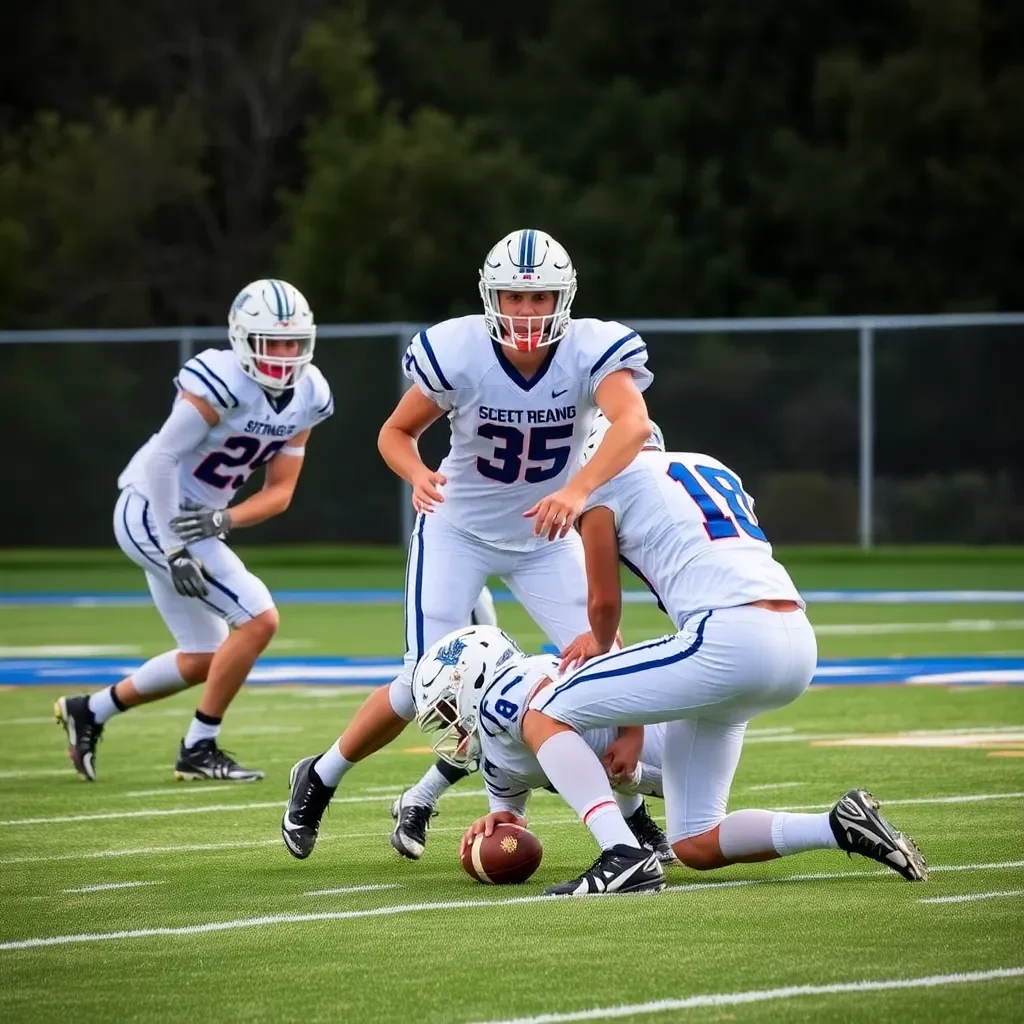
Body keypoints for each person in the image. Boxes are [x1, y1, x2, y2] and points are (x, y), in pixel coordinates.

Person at [282, 228, 654, 860]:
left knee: (608, 672)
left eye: (540, 299)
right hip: (458, 531)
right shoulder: (460, 350)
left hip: (547, 536)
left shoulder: (591, 349)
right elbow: (395, 432)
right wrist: (418, 473)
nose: (527, 312)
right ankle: (321, 775)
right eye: (514, 297)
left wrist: (578, 490)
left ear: (563, 300)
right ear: (492, 297)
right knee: (431, 686)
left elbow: (634, 423)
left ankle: (630, 816)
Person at [518, 415, 928, 895]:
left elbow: (605, 604)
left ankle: (621, 855)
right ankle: (835, 826)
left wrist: (597, 639)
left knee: (544, 712)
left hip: (729, 636)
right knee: (692, 840)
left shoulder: (604, 484)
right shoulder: (710, 467)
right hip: (794, 638)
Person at [56, 279, 333, 782]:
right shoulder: (221, 380)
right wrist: (176, 546)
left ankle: (90, 710)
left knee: (207, 655)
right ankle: (198, 748)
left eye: (292, 343)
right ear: (243, 338)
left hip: (197, 521)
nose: (283, 355)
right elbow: (163, 458)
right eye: (271, 342)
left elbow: (280, 492)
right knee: (259, 618)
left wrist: (224, 518)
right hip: (153, 510)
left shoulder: (309, 394)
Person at [408, 625, 675, 864]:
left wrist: (632, 733)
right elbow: (509, 806)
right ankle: (632, 831)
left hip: (676, 727)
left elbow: (615, 646)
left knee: (699, 836)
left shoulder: (508, 691)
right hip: (655, 773)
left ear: (472, 680)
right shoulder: (494, 742)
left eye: (450, 711)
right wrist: (505, 820)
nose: (454, 728)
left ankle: (625, 843)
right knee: (694, 845)